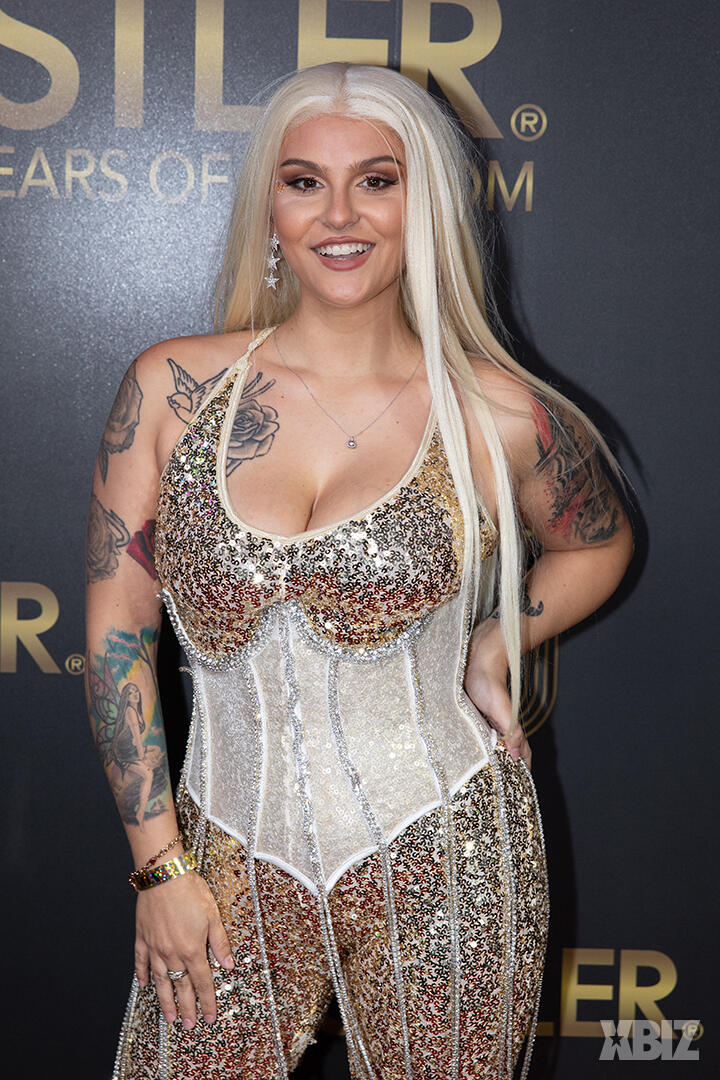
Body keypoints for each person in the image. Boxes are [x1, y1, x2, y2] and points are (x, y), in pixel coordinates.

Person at [85, 62, 633, 1080]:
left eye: (376, 181)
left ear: (424, 205)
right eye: (305, 182)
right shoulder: (170, 389)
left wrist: (494, 643)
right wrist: (159, 867)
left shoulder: (497, 411)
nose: (339, 215)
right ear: (271, 209)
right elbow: (119, 626)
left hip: (452, 855)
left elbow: (599, 541)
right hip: (218, 862)